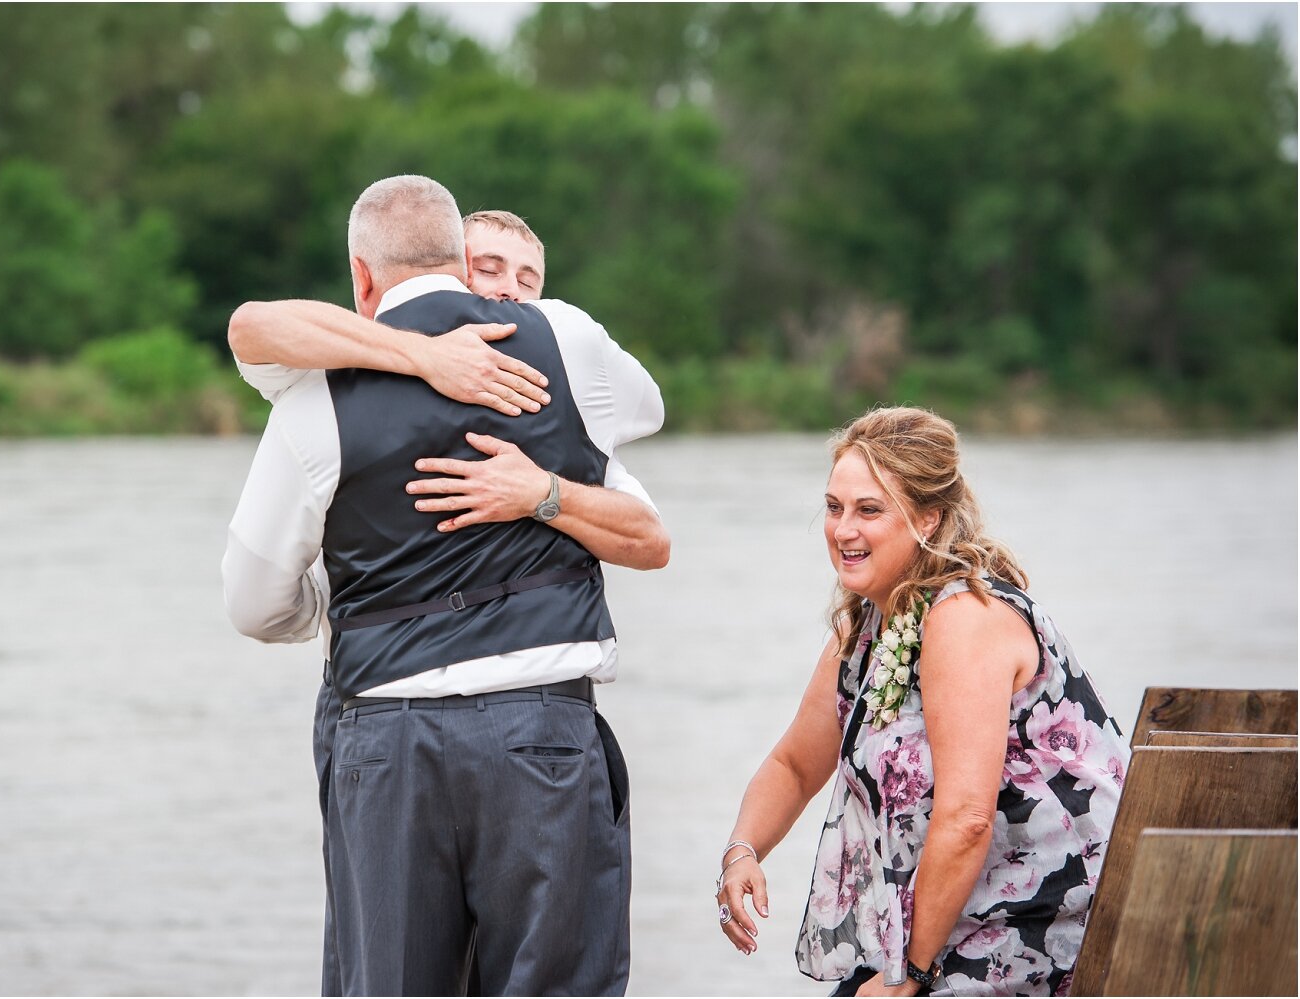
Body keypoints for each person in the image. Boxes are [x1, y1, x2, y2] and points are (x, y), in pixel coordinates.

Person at [222, 175, 667, 996]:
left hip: (387, 744)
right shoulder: (564, 338)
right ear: (465, 263)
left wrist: (331, 610)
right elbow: (648, 406)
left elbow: (251, 600)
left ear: (361, 277)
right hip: (544, 735)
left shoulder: (310, 394)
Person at [716, 407, 1127, 996]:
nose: (842, 530)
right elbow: (796, 763)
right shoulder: (867, 624)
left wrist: (908, 974)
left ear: (929, 519)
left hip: (1039, 924)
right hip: (945, 919)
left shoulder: (964, 619)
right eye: (834, 508)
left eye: (869, 510)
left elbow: (967, 819)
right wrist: (742, 851)